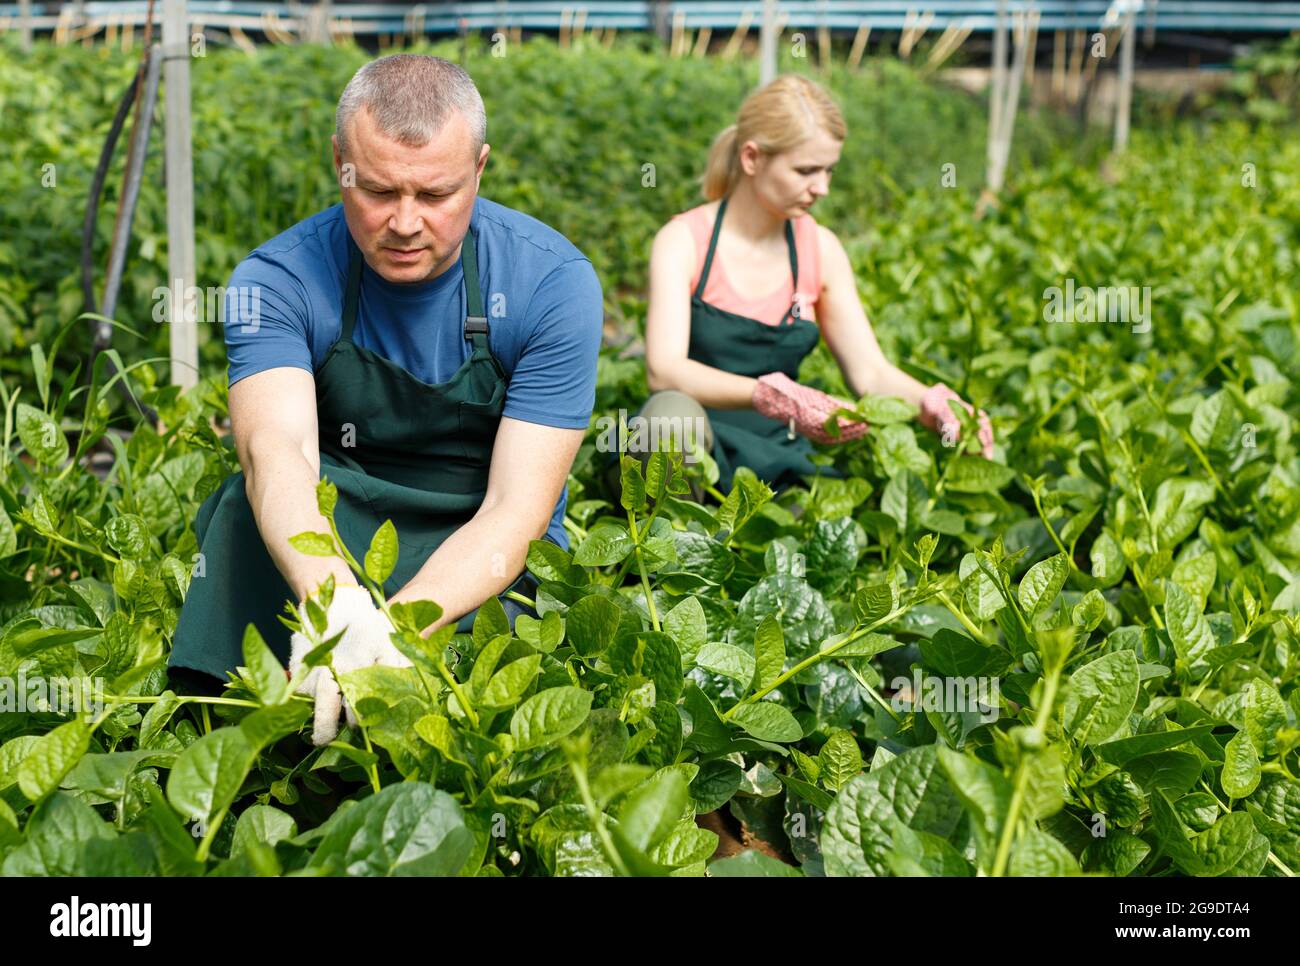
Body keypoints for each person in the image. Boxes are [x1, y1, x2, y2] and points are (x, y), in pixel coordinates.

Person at [168, 55, 603, 745]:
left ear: (480, 169)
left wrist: (393, 630)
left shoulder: (552, 284)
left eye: (435, 196)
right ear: (341, 162)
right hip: (336, 521)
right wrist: (337, 604)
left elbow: (517, 507)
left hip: (476, 529)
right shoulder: (276, 278)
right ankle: (232, 744)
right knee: (241, 513)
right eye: (377, 191)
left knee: (472, 710)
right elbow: (276, 454)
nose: (404, 223)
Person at [634, 74, 993, 495]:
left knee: (809, 540)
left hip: (777, 449)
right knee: (666, 418)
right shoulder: (684, 242)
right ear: (752, 158)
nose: (821, 188)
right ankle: (672, 546)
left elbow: (870, 372)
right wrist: (771, 395)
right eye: (806, 170)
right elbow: (664, 370)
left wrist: (935, 405)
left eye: (828, 170)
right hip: (699, 436)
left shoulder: (819, 248)